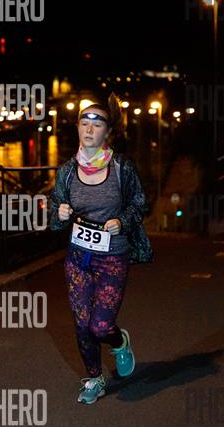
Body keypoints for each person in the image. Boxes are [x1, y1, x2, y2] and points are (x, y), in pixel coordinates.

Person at [49, 94, 153, 405]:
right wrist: (59, 212)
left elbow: (140, 203)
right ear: (77, 128)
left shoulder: (122, 168)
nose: (89, 129)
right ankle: (94, 379)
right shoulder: (67, 171)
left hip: (112, 258)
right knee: (83, 325)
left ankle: (119, 342)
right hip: (78, 258)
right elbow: (54, 210)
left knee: (100, 325)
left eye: (97, 124)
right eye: (84, 123)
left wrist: (122, 221)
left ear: (108, 131)